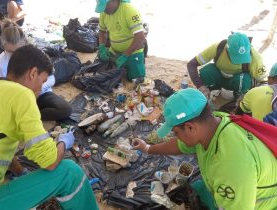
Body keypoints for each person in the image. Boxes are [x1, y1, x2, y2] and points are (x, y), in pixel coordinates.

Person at [133, 88, 277, 209]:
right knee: (196, 189)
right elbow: (177, 145)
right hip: (231, 187)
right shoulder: (213, 123)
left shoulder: (230, 164)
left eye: (176, 132)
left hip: (257, 204)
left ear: (189, 127)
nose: (176, 137)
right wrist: (147, 148)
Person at [0, 45, 99, 210]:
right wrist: (63, 143)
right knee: (70, 172)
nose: (40, 89)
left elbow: (1, 143)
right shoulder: (22, 94)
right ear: (33, 73)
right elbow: (50, 162)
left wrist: (20, 172)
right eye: (43, 81)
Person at [0, 19, 72, 121]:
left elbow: (51, 78)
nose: (14, 55)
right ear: (3, 45)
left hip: (40, 95)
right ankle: (27, 116)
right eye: (9, 51)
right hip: (18, 100)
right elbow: (3, 90)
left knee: (65, 109)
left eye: (17, 50)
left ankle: (30, 116)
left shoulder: (35, 54)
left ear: (23, 43)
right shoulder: (0, 62)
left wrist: (38, 88)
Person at [187, 32, 266, 98]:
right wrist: (200, 86)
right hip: (219, 76)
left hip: (237, 81)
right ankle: (213, 88)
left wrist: (253, 97)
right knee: (207, 71)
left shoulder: (256, 58)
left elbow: (263, 82)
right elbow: (191, 64)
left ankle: (239, 95)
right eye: (235, 57)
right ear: (226, 49)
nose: (239, 61)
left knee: (245, 79)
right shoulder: (218, 47)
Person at [95, 0, 146, 81]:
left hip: (133, 52)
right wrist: (101, 47)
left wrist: (126, 55)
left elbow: (140, 37)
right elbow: (102, 31)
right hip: (114, 51)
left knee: (136, 80)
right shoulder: (104, 12)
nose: (104, 10)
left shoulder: (129, 10)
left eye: (105, 6)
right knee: (102, 76)